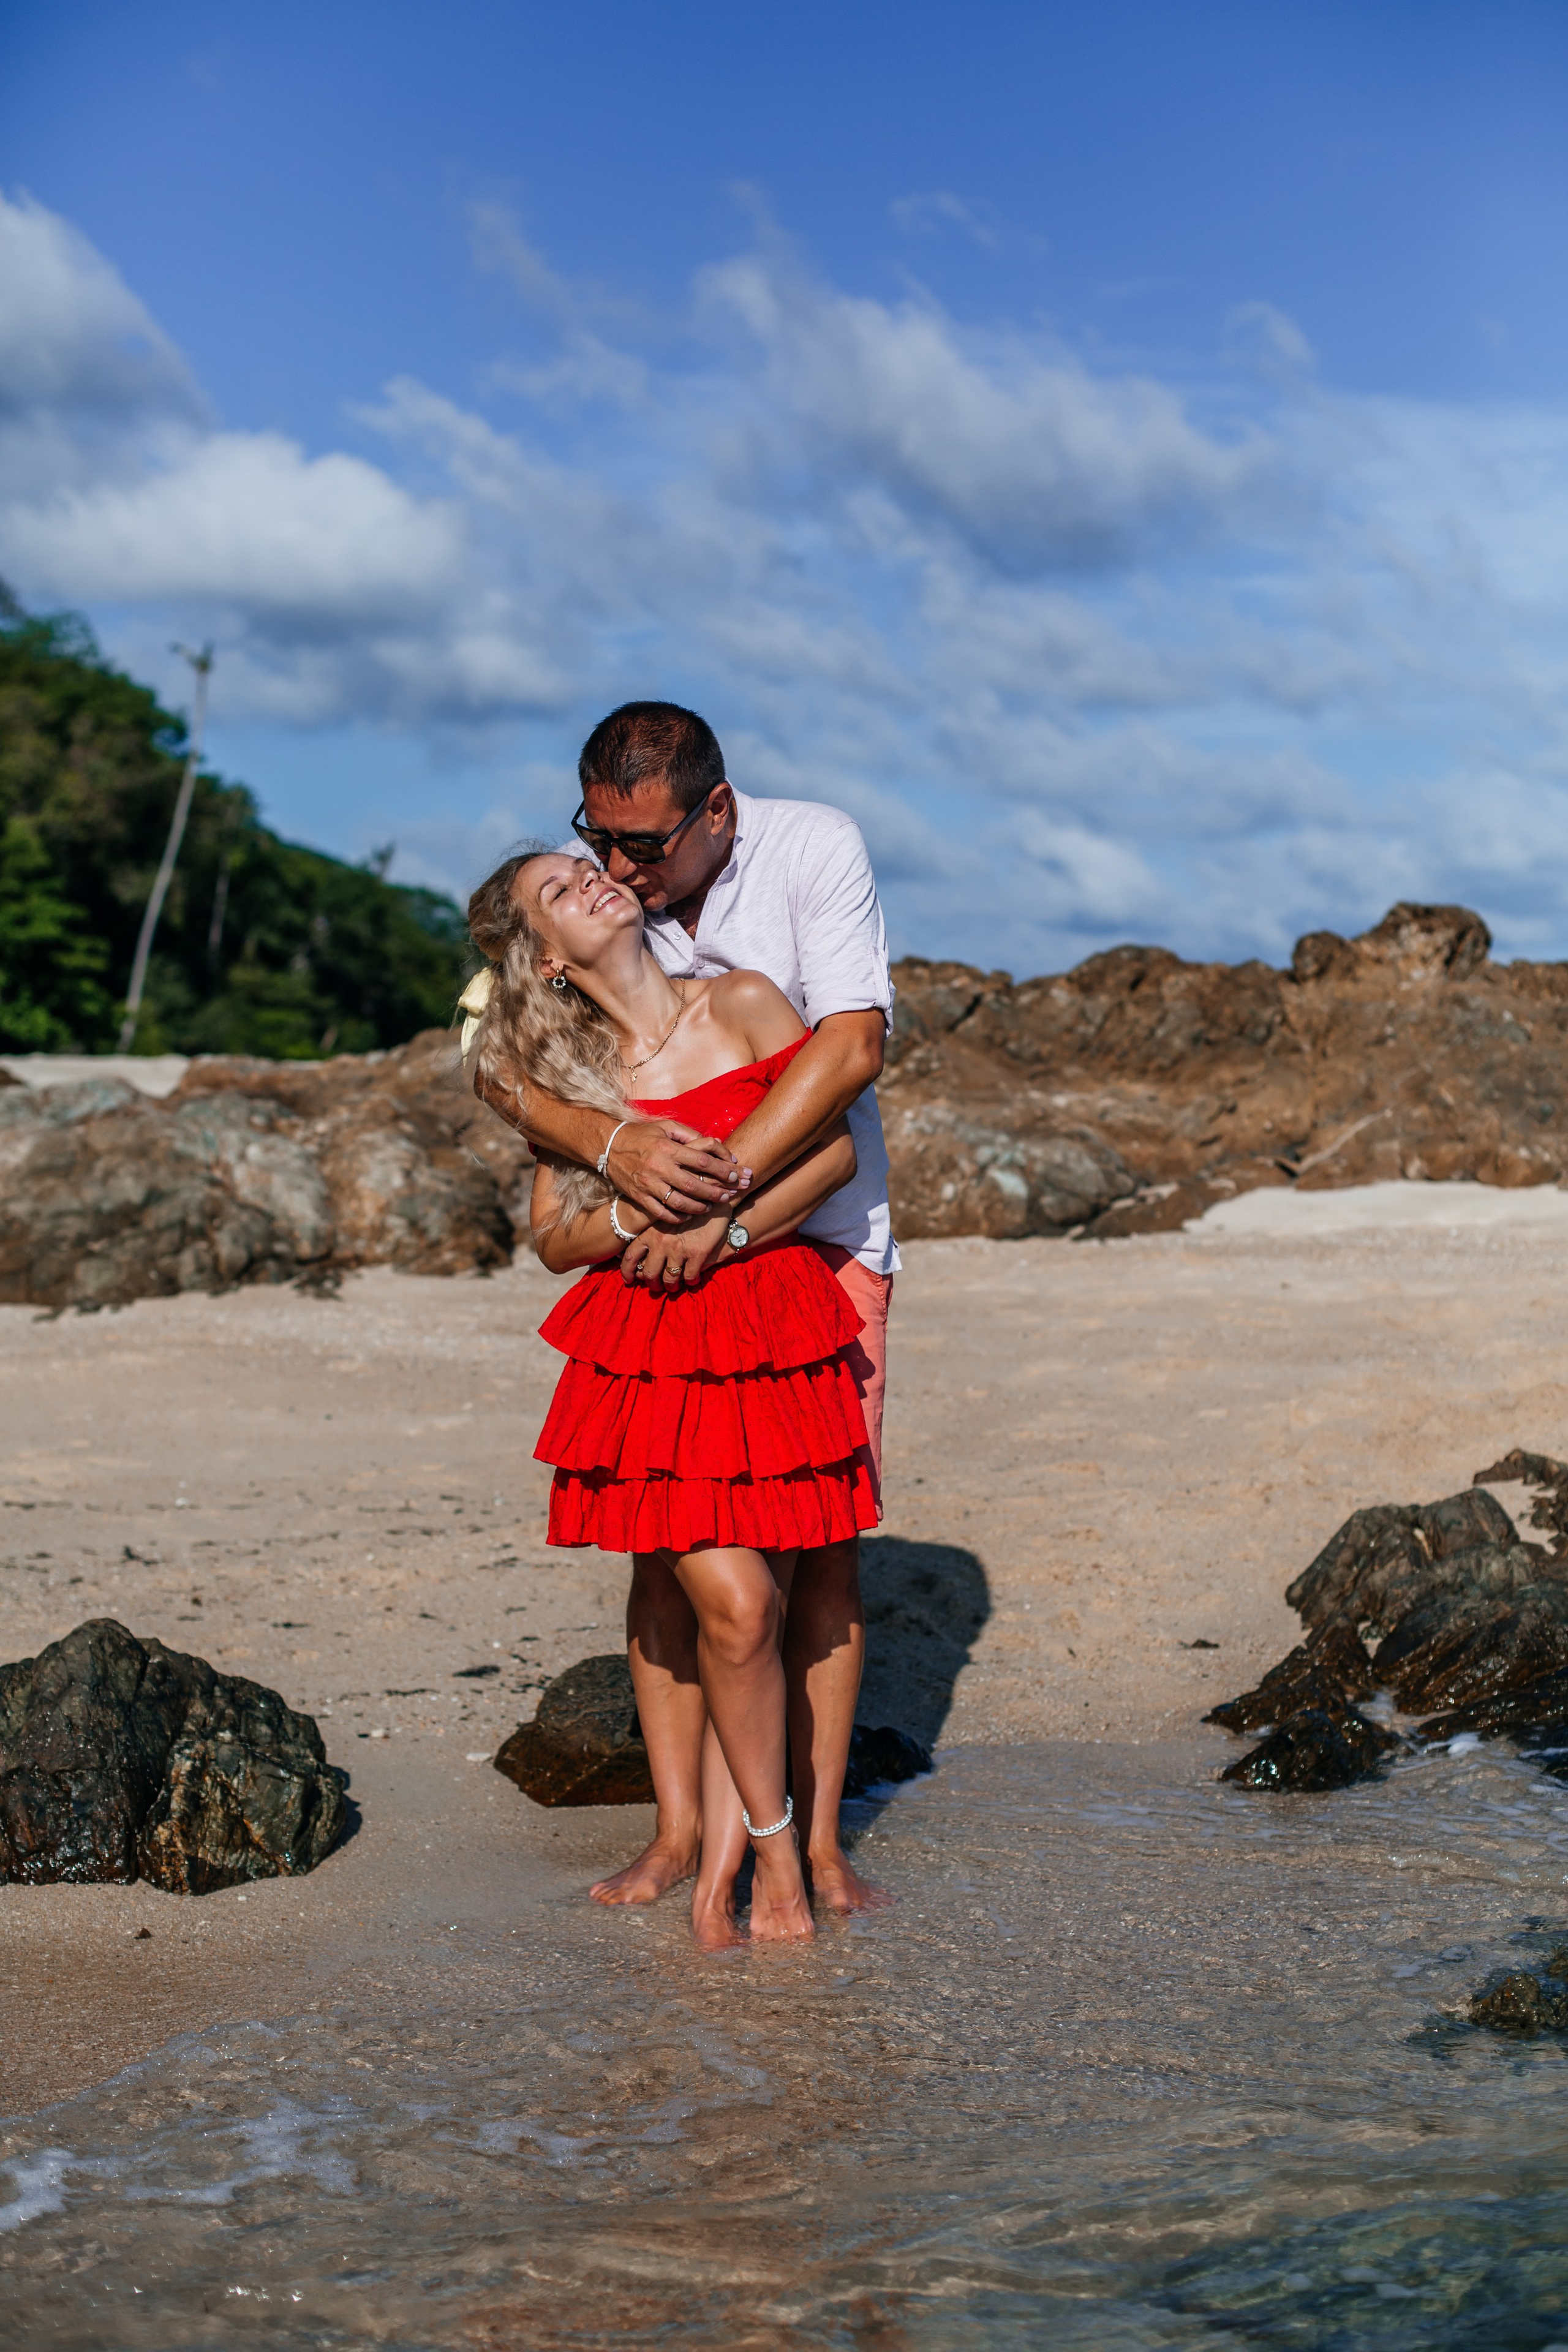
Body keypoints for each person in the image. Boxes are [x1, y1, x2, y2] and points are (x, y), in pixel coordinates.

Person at [469, 701, 899, 1916]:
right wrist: (611, 1157)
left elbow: (849, 1056)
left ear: (715, 813)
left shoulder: (804, 863)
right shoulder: (581, 1005)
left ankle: (804, 1846)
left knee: (817, 1556)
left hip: (810, 1265)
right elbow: (507, 1055)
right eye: (592, 845)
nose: (616, 871)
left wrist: (720, 1209)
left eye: (640, 849)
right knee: (676, 1570)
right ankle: (680, 1836)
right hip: (662, 1309)